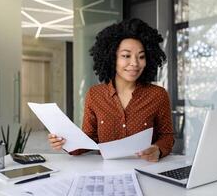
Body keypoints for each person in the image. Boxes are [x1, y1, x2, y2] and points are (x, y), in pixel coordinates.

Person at [48, 18, 174, 162]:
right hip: (106, 173)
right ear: (112, 58)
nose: (134, 63)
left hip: (146, 170)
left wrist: (158, 149)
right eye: (126, 56)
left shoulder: (157, 95)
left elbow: (167, 136)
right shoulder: (95, 94)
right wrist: (65, 142)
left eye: (141, 56)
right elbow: (88, 139)